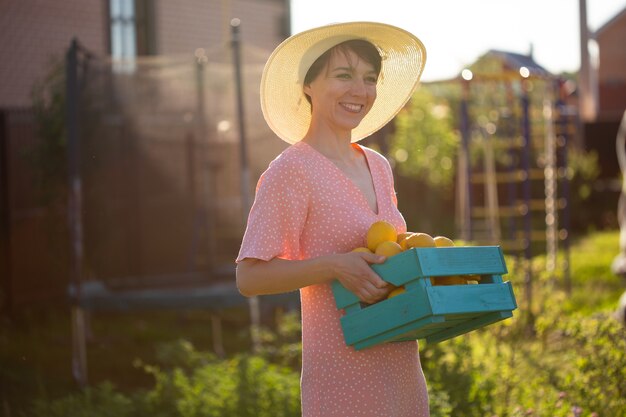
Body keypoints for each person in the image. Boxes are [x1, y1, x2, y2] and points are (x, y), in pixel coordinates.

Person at [236, 21, 429, 416]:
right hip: (342, 379)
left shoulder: (378, 165)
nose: (360, 90)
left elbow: (393, 256)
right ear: (308, 85)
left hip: (401, 369)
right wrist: (333, 267)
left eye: (369, 78)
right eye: (343, 75)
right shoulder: (291, 170)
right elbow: (249, 277)